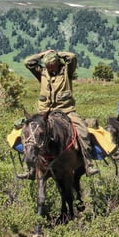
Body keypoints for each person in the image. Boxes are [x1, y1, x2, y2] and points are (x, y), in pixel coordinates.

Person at [19, 49, 99, 179]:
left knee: (82, 130)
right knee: (27, 132)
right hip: (44, 112)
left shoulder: (67, 71)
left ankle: (88, 163)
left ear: (57, 63)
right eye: (47, 66)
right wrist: (42, 54)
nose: (50, 68)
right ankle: (30, 168)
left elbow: (72, 56)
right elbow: (28, 62)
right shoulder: (42, 72)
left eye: (52, 65)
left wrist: (57, 53)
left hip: (66, 110)